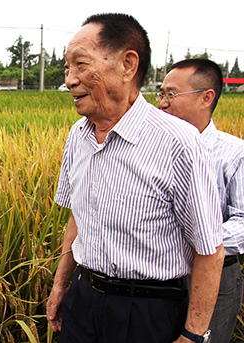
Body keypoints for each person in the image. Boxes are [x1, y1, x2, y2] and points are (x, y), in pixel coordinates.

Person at [45, 13, 225, 343]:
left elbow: (210, 249)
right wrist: (61, 286)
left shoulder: (178, 143)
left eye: (81, 65)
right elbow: (78, 216)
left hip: (147, 311)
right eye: (67, 68)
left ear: (128, 65)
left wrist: (193, 334)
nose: (69, 80)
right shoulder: (78, 136)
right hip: (83, 300)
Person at [158, 58, 244, 343]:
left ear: (206, 97)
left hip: (214, 277)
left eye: (171, 94)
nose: (162, 103)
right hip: (158, 276)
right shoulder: (155, 149)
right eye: (161, 94)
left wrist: (197, 241)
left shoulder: (234, 153)